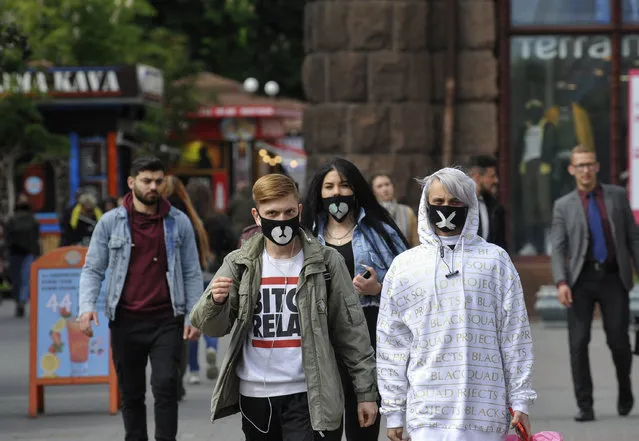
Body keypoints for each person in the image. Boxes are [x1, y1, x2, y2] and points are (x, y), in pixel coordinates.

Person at [190, 173, 378, 441]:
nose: (281, 220)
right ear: (257, 216)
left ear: (299, 211)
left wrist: (366, 393)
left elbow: (352, 332)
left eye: (288, 211)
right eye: (272, 213)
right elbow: (211, 326)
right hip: (256, 397)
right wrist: (215, 302)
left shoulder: (326, 262)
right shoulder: (239, 263)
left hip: (309, 395)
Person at [378, 166, 537, 441]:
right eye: (438, 202)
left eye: (455, 202)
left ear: (469, 205)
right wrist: (393, 411)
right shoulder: (404, 267)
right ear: (426, 206)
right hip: (427, 412)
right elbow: (391, 342)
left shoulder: (495, 261)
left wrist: (521, 400)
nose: (446, 209)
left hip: (485, 411)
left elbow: (515, 334)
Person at [77, 156, 203, 441]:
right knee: (131, 393)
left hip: (167, 319)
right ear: (132, 182)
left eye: (159, 181)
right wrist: (86, 308)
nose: (154, 187)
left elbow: (192, 272)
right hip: (125, 320)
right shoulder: (110, 222)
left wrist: (195, 315)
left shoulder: (178, 222)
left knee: (166, 386)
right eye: (147, 181)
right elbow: (93, 269)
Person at [301, 158, 408, 441]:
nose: (337, 193)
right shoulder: (306, 236)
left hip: (369, 341)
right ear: (319, 192)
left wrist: (379, 289)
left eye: (344, 185)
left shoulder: (380, 232)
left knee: (364, 426)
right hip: (324, 340)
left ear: (356, 189)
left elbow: (411, 289)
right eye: (329, 186)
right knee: (326, 430)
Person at [551, 145, 639, 422]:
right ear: (571, 169)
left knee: (619, 342)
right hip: (580, 280)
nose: (585, 170)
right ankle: (585, 405)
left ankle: (625, 389)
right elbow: (558, 248)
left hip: (613, 277)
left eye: (590, 164)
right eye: (580, 165)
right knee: (578, 343)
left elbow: (633, 239)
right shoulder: (563, 205)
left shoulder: (616, 196)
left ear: (597, 167)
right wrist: (561, 282)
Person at [160, 176, 220, 389]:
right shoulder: (204, 219)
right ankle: (212, 348)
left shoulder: (167, 217)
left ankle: (193, 370)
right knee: (206, 320)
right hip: (209, 275)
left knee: (188, 325)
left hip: (178, 280)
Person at [5, 194, 40, 317]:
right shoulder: (33, 220)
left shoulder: (11, 220)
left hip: (14, 252)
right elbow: (36, 238)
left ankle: (18, 301)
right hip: (28, 253)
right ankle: (22, 300)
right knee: (25, 279)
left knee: (16, 279)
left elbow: (7, 238)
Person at [468, 155, 507, 249]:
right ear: (477, 177)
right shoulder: (460, 204)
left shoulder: (495, 206)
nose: (496, 180)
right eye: (492, 176)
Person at [370, 173, 419, 247]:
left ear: (393, 186)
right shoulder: (370, 214)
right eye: (379, 186)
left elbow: (416, 241)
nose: (385, 189)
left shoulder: (407, 211)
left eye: (387, 184)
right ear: (373, 191)